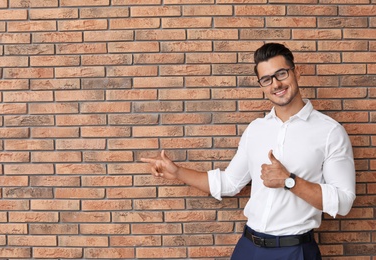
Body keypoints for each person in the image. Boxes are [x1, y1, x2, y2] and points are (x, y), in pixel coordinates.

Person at [141, 43, 356, 260]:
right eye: (267, 79)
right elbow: (229, 183)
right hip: (248, 248)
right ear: (261, 85)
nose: (276, 84)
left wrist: (289, 181)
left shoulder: (330, 131)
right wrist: (177, 172)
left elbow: (344, 202)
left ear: (296, 71)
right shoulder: (256, 129)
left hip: (294, 251)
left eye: (281, 73)